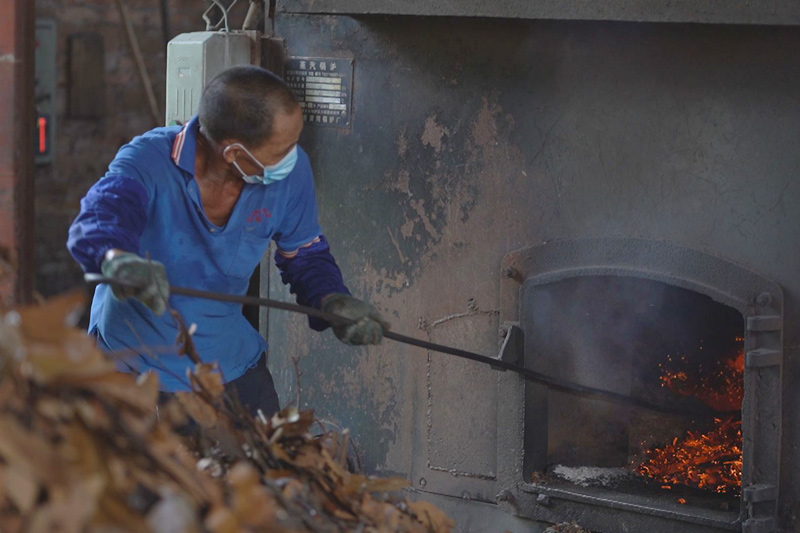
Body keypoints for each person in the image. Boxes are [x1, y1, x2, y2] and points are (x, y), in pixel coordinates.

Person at [67, 65, 388, 418]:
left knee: (271, 463)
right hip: (134, 363)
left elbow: (305, 255)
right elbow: (99, 220)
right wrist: (117, 259)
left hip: (227, 359)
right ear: (234, 153)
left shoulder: (291, 173)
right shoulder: (147, 161)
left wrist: (331, 298)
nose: (293, 158)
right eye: (282, 149)